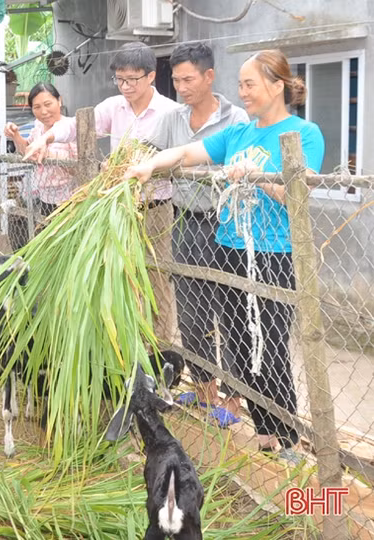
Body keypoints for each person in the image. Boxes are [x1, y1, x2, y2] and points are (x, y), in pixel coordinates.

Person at [124, 49, 325, 464]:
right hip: (229, 249)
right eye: (241, 85)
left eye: (250, 84)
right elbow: (184, 154)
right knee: (238, 344)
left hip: (272, 253)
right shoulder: (238, 134)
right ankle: (266, 433)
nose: (243, 92)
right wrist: (146, 166)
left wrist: (254, 176)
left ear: (277, 85)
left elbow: (296, 197)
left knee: (268, 347)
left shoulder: (304, 133)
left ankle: (286, 436)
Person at [24, 42, 180, 347]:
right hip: (118, 206)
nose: (125, 86)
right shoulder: (113, 106)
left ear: (151, 77)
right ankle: (128, 346)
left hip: (155, 207)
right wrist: (48, 136)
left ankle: (162, 351)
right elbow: (76, 126)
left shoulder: (170, 113)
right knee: (122, 276)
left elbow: (181, 154)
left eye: (132, 79)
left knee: (157, 278)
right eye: (120, 79)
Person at [146, 42, 249, 428]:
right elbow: (149, 150)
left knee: (231, 311)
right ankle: (206, 393)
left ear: (209, 76)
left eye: (188, 78)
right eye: (176, 80)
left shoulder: (237, 119)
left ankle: (235, 401)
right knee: (191, 311)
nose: (182, 86)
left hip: (228, 224)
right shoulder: (173, 118)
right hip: (187, 219)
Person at [4, 83, 77, 248]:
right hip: (46, 200)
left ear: (59, 101)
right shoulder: (38, 128)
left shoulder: (71, 128)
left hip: (71, 201)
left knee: (69, 247)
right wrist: (16, 135)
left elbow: (81, 169)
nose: (43, 111)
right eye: (36, 107)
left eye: (48, 104)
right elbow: (26, 151)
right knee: (51, 249)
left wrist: (51, 156)